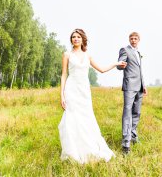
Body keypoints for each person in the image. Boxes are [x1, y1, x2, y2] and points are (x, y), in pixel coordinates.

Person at [58, 28, 127, 163]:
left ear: (83, 39)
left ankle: (87, 148)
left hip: (84, 90)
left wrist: (115, 64)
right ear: (71, 40)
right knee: (72, 118)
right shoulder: (66, 54)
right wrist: (62, 95)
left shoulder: (88, 55)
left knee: (86, 118)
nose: (75, 39)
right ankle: (73, 151)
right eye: (73, 37)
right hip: (71, 89)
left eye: (78, 37)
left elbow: (101, 69)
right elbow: (64, 74)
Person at [117, 32, 148, 154]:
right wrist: (121, 65)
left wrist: (143, 85)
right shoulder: (124, 50)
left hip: (139, 87)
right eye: (131, 38)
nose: (133, 40)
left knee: (137, 113)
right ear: (129, 40)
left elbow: (140, 71)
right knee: (127, 113)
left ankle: (133, 136)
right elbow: (120, 64)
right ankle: (126, 144)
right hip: (129, 86)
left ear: (139, 40)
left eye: (135, 38)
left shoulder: (138, 53)